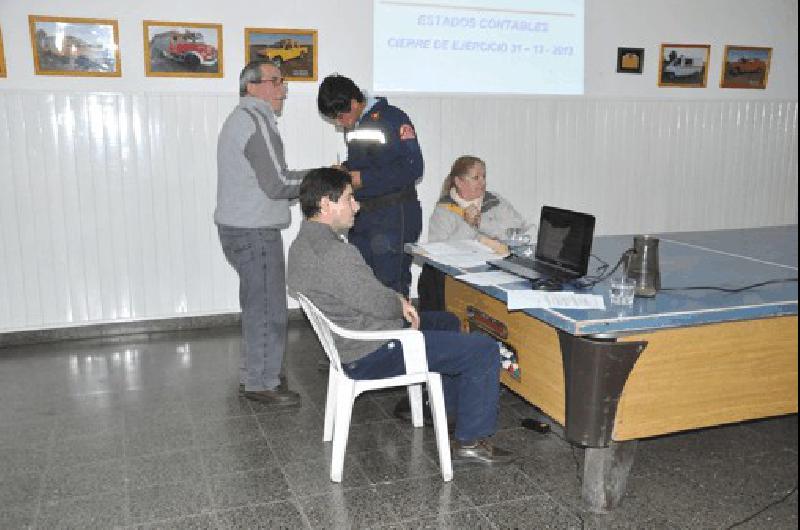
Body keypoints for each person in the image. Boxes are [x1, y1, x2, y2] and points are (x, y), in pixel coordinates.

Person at [287, 167, 514, 465]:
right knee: (483, 350)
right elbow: (379, 306)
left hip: (350, 339)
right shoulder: (336, 254)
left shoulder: (301, 245)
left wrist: (395, 304)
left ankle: (445, 410)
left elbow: (363, 296)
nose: (356, 205)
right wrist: (398, 304)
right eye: (349, 198)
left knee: (446, 322)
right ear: (326, 205)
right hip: (373, 349)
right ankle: (471, 441)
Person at [214, 60, 311, 405]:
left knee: (258, 305)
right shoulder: (255, 121)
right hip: (254, 232)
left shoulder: (242, 119)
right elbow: (279, 183)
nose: (283, 89)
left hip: (239, 229)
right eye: (275, 81)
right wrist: (322, 179)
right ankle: (261, 383)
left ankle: (257, 372)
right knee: (268, 309)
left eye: (283, 82)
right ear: (252, 87)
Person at [316, 74, 423, 297]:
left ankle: (397, 333)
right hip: (364, 217)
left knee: (390, 288)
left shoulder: (393, 118)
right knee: (364, 284)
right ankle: (372, 333)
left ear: (354, 103)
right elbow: (366, 163)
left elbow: (413, 168)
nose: (339, 123)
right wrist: (344, 171)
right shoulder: (357, 124)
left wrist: (362, 179)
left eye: (340, 116)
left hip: (394, 215)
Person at [419, 155, 528, 311]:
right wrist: (468, 224)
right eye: (476, 178)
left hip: (496, 268)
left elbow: (517, 229)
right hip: (457, 276)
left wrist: (480, 223)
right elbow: (440, 252)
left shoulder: (495, 201)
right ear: (459, 182)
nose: (482, 182)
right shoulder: (444, 209)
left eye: (484, 176)